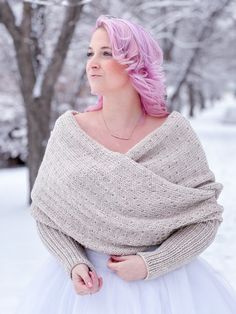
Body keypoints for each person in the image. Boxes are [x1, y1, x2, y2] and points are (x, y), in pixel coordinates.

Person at [16, 15, 236, 314]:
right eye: (90, 53)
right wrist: (73, 261)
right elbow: (47, 214)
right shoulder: (70, 132)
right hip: (85, 293)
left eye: (107, 53)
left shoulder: (174, 134)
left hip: (167, 289)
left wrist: (153, 263)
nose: (92, 63)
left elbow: (204, 219)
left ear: (137, 62)